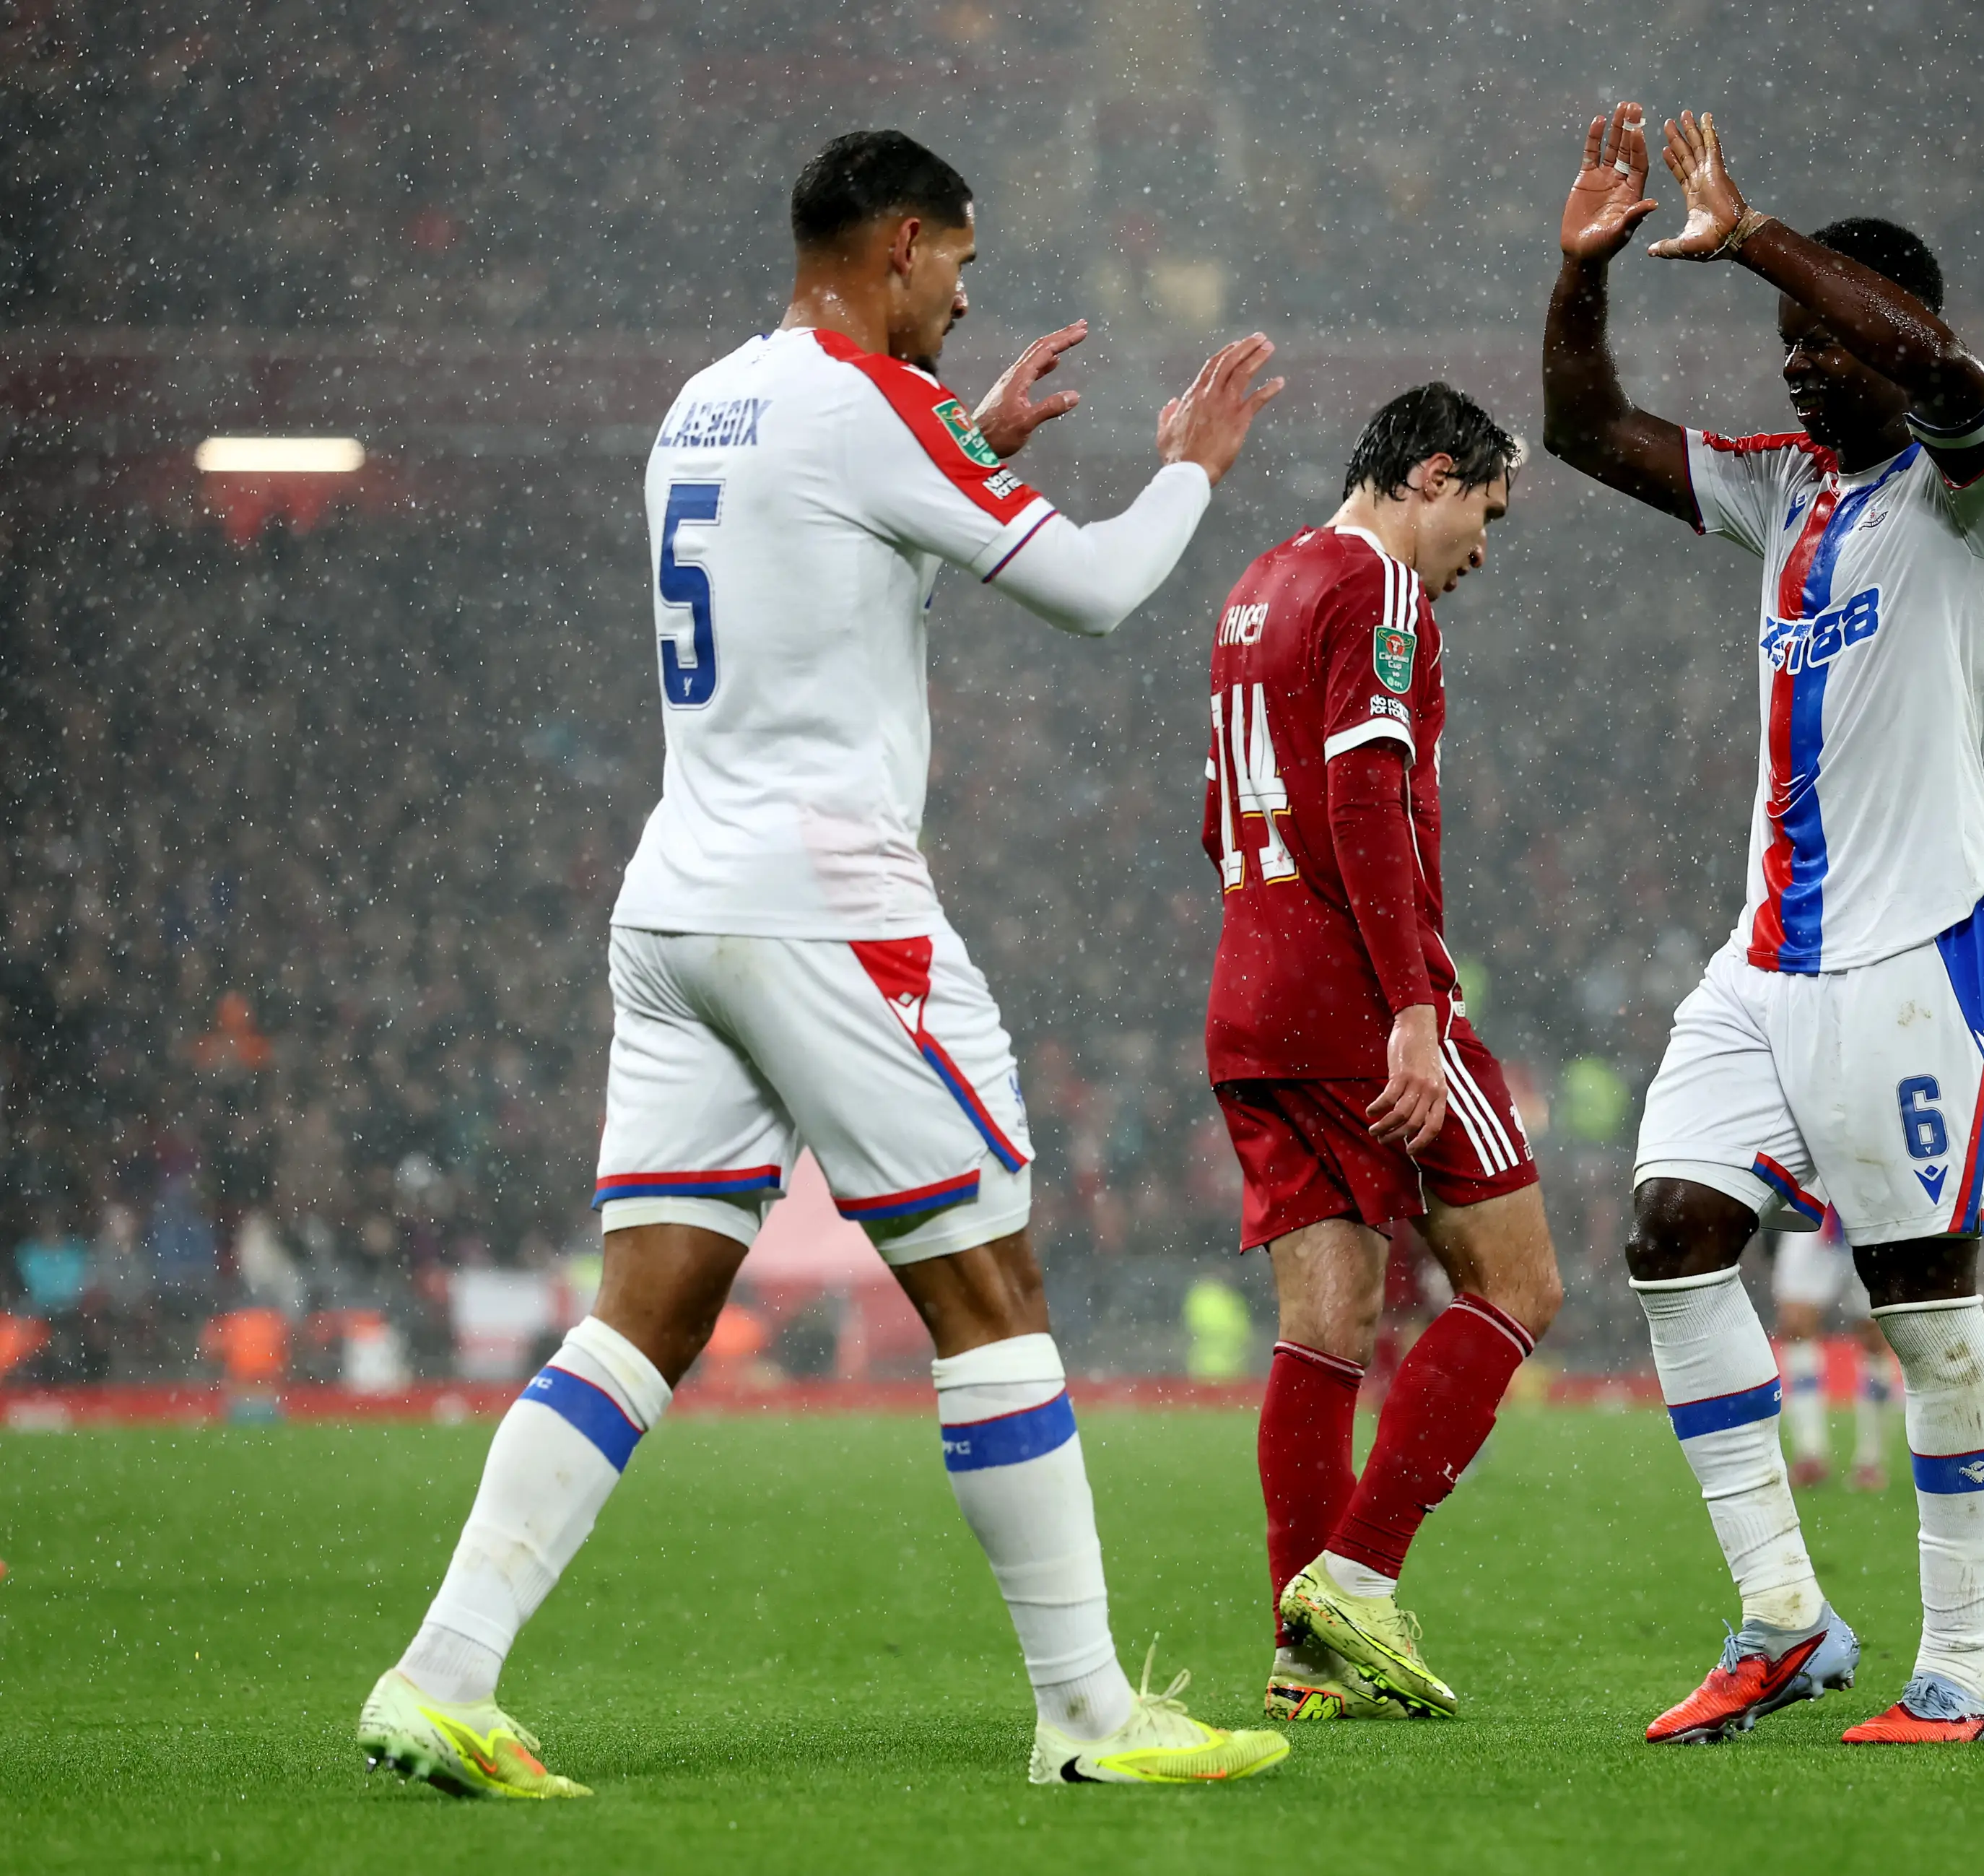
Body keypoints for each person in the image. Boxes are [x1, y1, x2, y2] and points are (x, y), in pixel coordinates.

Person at [357, 129, 1292, 1798]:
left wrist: (966, 445)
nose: (963, 298)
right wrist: (1192, 467)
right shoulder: (875, 409)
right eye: (960, 268)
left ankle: (439, 1674)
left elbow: (817, 574)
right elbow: (1090, 588)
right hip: (824, 903)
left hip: (680, 901)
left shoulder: (705, 401)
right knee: (989, 1286)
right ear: (899, 246)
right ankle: (1086, 1712)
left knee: (637, 1317)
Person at [1542, 105, 1984, 1747]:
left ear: (1880, 344)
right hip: (1764, 960)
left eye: (1815, 344)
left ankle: (1955, 1674)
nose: (1790, 371)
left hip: (1916, 956)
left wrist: (1757, 230)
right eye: (1780, 347)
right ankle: (1782, 1614)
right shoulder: (1788, 498)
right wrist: (1581, 273)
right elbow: (1583, 427)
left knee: (1920, 1305)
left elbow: (1941, 369)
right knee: (1669, 1238)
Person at [1202, 386, 1564, 1723]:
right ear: (1429, 476)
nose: (1484, 544)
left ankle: (1303, 1656)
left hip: (1250, 992)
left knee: (1327, 1325)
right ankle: (1356, 1574)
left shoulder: (1258, 582)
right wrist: (1410, 1004)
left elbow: (1219, 812)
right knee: (1522, 1281)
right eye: (1486, 509)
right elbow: (1364, 796)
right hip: (1362, 997)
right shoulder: (1379, 592)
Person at [1775, 1204, 1902, 1492]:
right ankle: (1810, 1453)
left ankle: (1871, 1460)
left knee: (1876, 1333)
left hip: (1871, 1213)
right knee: (1796, 1324)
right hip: (1815, 1211)